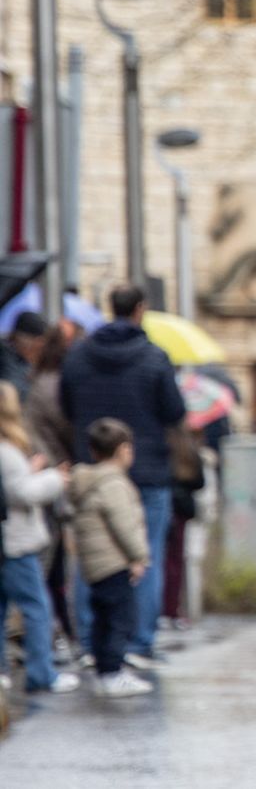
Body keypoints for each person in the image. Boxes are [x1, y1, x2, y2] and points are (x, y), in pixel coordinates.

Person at [59, 283, 187, 670]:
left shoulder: (79, 356)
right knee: (143, 556)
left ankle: (89, 640)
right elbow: (174, 411)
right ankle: (139, 641)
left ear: (109, 308)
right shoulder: (154, 358)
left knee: (91, 555)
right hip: (146, 469)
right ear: (141, 310)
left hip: (91, 467)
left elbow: (67, 406)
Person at [0, 381, 79, 694]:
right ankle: (42, 673)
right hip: (15, 541)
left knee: (2, 608)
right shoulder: (6, 450)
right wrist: (54, 479)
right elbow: (21, 493)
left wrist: (30, 470)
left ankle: (3, 670)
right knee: (37, 606)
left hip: (6, 540)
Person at [70, 418, 152, 698]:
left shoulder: (86, 480)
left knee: (102, 620)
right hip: (114, 562)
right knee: (120, 620)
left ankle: (104, 670)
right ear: (122, 450)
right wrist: (139, 556)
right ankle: (113, 672)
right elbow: (124, 525)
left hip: (95, 565)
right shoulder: (113, 483)